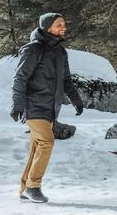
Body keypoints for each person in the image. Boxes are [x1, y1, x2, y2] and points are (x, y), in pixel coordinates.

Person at [11, 12, 84, 204]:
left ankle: (25, 187)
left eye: (64, 24)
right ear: (47, 27)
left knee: (37, 147)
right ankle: (33, 186)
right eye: (59, 24)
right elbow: (20, 77)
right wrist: (17, 104)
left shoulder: (60, 52)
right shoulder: (33, 49)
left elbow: (66, 80)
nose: (63, 27)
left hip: (50, 108)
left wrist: (77, 100)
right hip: (34, 105)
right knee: (46, 142)